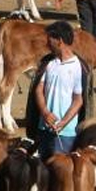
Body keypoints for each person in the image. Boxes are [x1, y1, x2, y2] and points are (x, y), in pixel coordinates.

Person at [31, 22, 85, 158]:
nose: (47, 43)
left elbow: (78, 100)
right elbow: (38, 89)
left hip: (66, 133)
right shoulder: (49, 63)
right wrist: (45, 112)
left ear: (59, 41)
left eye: (50, 39)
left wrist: (63, 122)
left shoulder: (77, 67)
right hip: (44, 128)